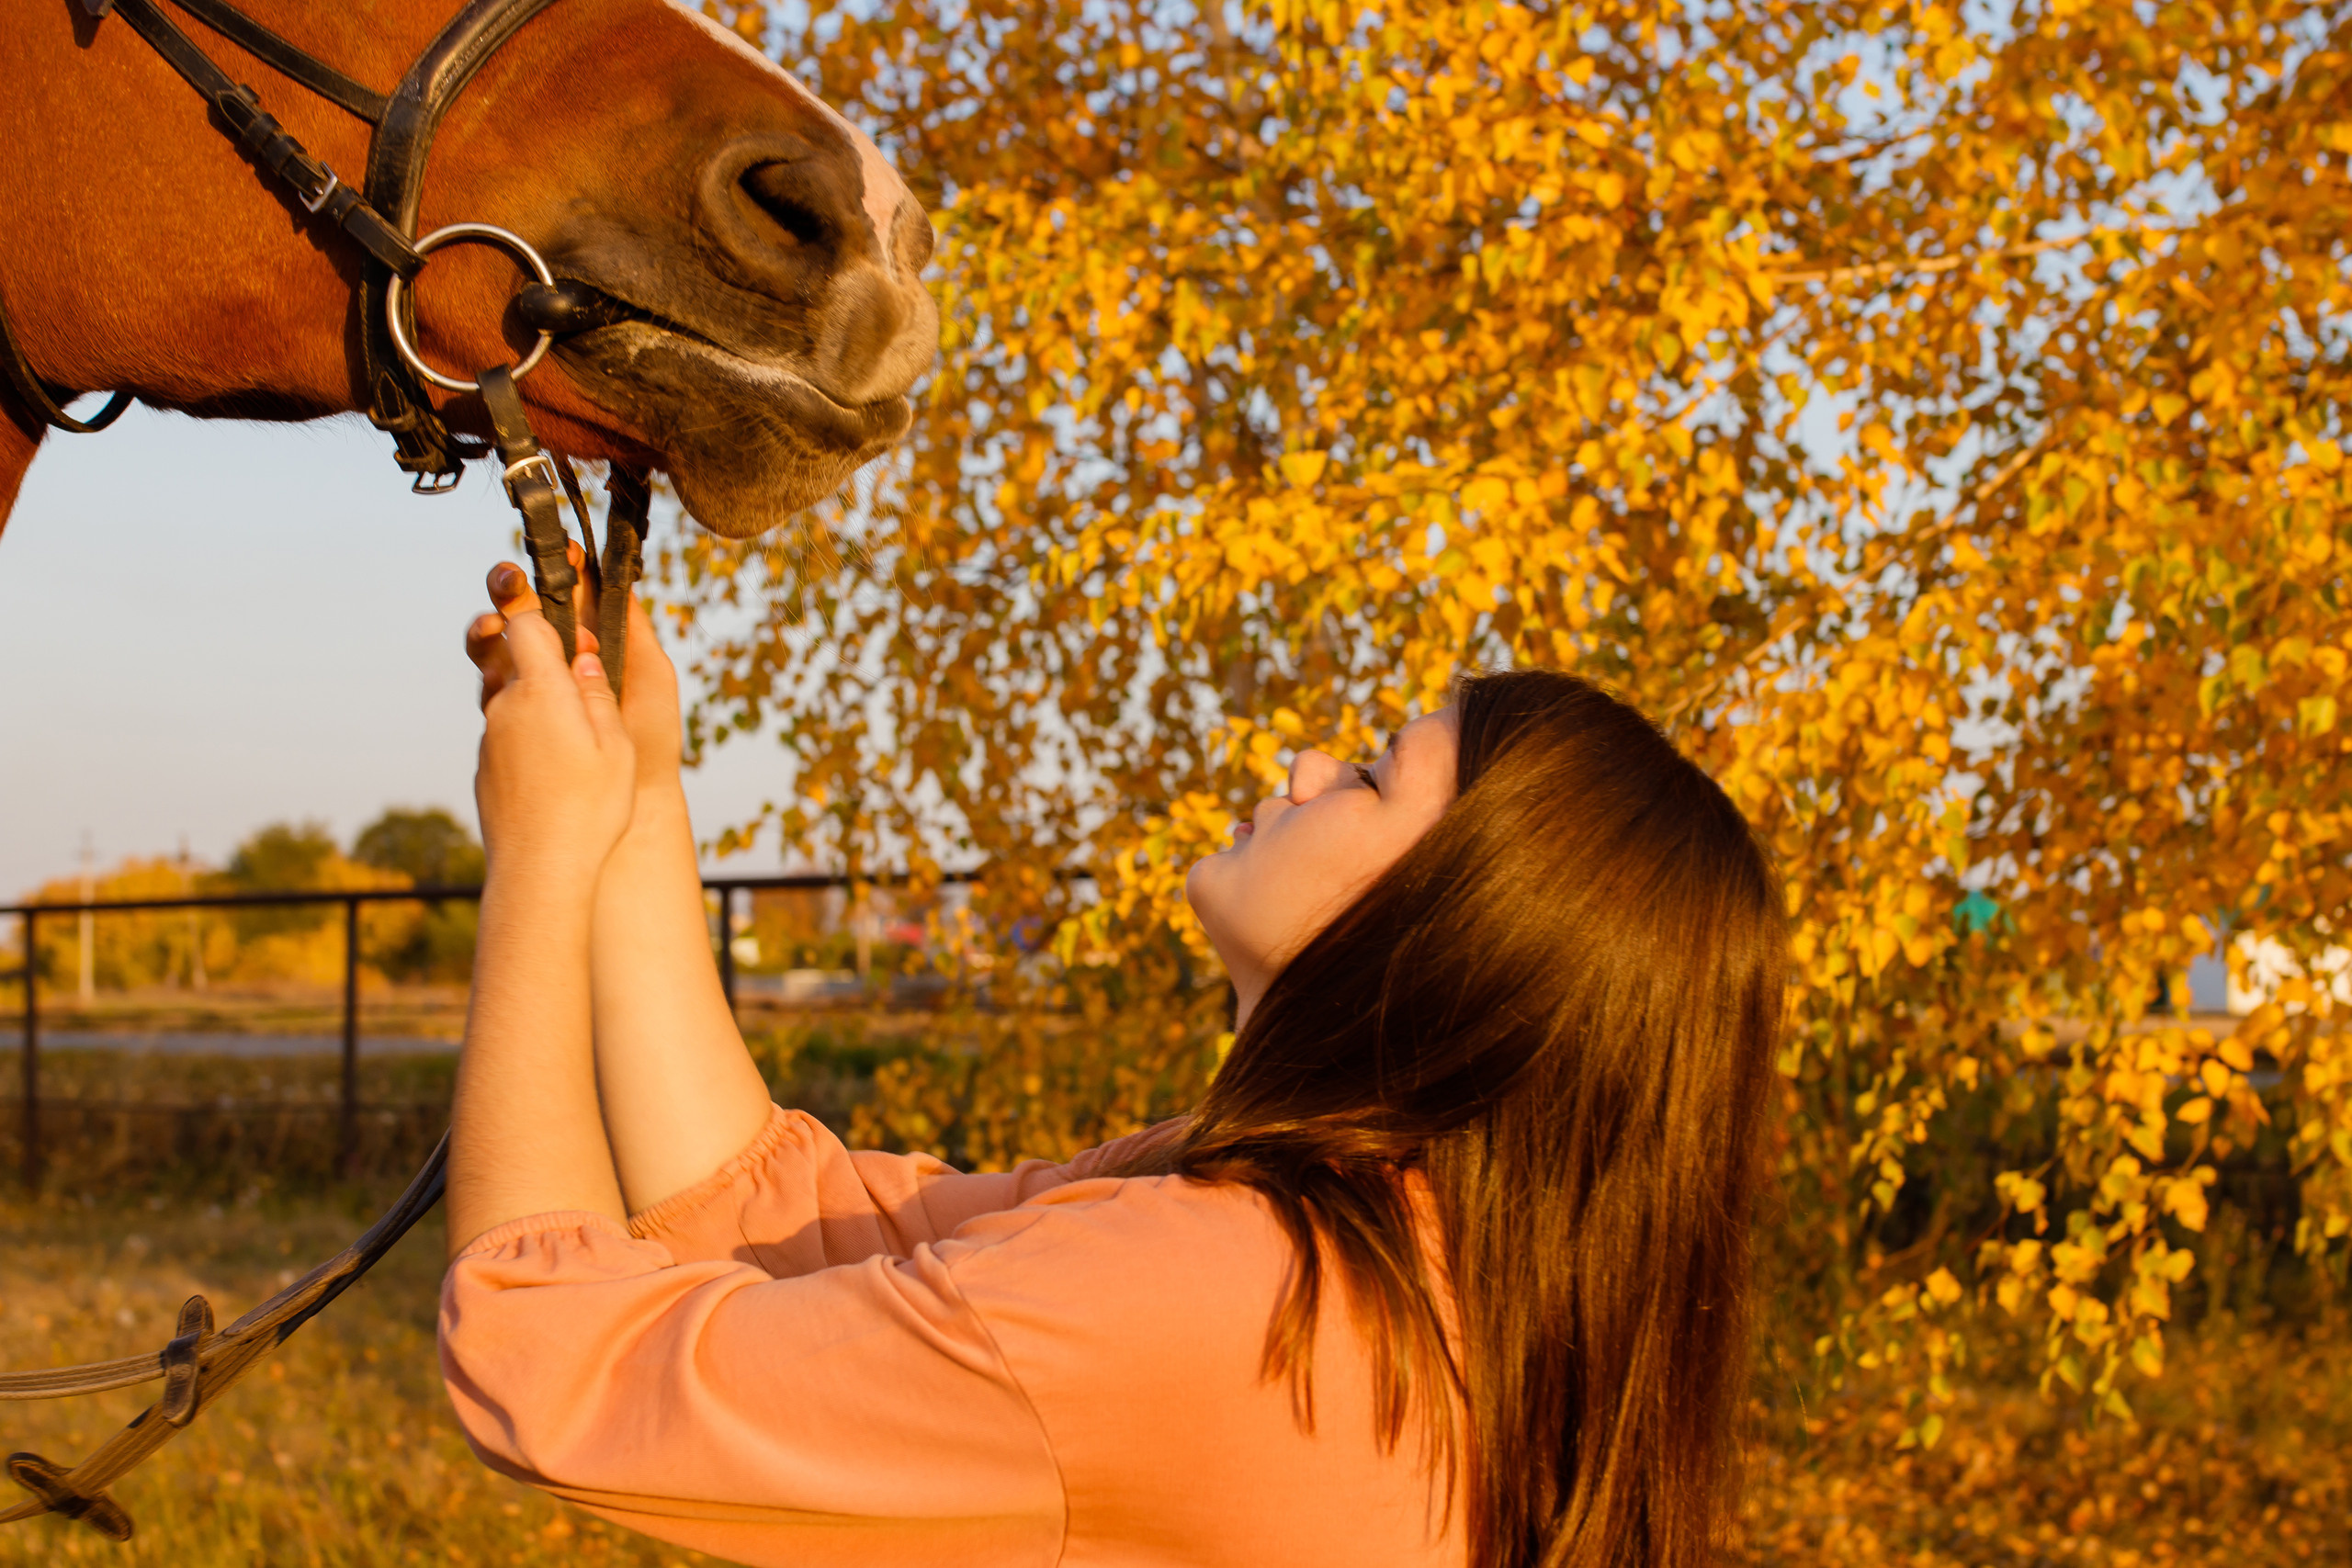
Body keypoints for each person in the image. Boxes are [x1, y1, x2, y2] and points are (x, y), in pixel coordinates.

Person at [441, 556, 1787, 1568]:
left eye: (1376, 778)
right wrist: (642, 796)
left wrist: (543, 860)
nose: (1311, 764)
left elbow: (551, 1367)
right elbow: (801, 1220)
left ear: (1459, 937)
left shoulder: (1225, 1293)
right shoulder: (1374, 1239)